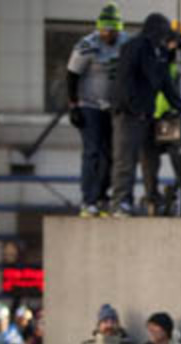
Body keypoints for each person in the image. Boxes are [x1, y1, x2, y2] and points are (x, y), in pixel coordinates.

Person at [109, 12, 181, 216]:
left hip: (146, 115)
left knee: (150, 159)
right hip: (129, 113)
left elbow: (165, 83)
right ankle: (120, 202)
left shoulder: (157, 52)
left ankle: (152, 197)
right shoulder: (135, 47)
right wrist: (135, 108)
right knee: (125, 159)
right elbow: (125, 81)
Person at [67, 3, 128, 217]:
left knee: (110, 154)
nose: (108, 35)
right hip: (89, 104)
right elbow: (72, 75)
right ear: (99, 29)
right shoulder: (87, 45)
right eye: (105, 30)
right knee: (92, 152)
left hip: (112, 107)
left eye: (112, 31)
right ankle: (88, 199)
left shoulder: (125, 43)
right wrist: (73, 105)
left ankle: (102, 196)